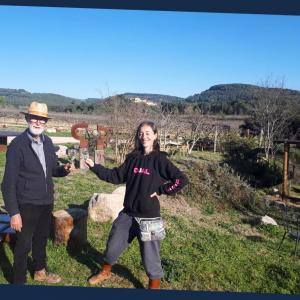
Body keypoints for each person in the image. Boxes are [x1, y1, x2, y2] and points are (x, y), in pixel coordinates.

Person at [85, 121, 188, 289]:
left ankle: (154, 287)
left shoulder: (160, 160)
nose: (144, 136)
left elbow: (181, 179)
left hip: (149, 217)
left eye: (148, 133)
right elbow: (114, 176)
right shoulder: (133, 158)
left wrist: (162, 190)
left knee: (151, 259)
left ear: (155, 135)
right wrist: (94, 166)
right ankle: (105, 271)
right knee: (112, 246)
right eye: (141, 133)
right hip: (128, 214)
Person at [1, 101, 75, 284]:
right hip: (26, 203)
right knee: (23, 245)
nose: (38, 122)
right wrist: (14, 213)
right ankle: (19, 281)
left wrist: (64, 169)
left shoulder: (48, 142)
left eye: (42, 119)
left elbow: (51, 170)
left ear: (45, 122)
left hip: (45, 201)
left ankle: (40, 272)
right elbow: (7, 183)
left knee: (41, 239)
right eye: (34, 118)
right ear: (27, 118)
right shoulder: (17, 146)